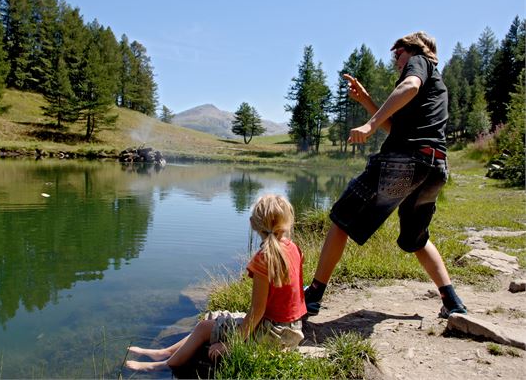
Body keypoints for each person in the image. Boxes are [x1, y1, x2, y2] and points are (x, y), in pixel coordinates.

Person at [304, 31, 467, 319]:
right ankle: (452, 301)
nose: (396, 61)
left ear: (414, 49)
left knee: (342, 218)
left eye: (398, 54)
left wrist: (369, 124)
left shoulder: (420, 62)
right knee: (414, 237)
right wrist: (368, 101)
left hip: (403, 162)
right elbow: (399, 130)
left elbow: (410, 86)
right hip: (434, 168)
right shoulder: (436, 85)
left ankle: (313, 296)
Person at [125, 194, 307, 372]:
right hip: (292, 329)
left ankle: (165, 364)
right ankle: (164, 352)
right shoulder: (294, 248)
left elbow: (257, 311)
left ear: (254, 224)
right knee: (212, 319)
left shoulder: (264, 258)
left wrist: (229, 345)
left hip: (271, 334)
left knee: (204, 327)